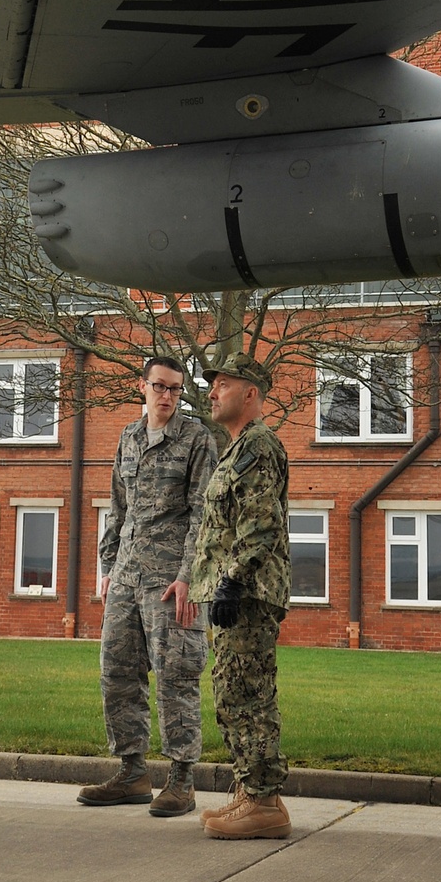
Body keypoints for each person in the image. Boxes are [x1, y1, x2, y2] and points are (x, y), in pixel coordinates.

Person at [77, 355, 218, 816]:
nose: (167, 396)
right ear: (143, 386)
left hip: (170, 580)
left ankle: (181, 780)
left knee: (176, 674)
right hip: (127, 577)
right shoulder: (129, 438)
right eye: (159, 386)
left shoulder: (196, 438)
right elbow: (118, 507)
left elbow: (204, 515)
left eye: (176, 389)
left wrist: (187, 579)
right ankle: (132, 772)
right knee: (117, 671)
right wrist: (107, 566)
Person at [189, 352, 291, 839]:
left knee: (248, 695)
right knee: (232, 693)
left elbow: (260, 522)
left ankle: (265, 802)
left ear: (250, 393)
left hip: (247, 592)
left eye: (222, 384)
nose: (212, 392)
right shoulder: (235, 448)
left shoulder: (258, 445)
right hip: (233, 591)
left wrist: (231, 580)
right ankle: (249, 793)